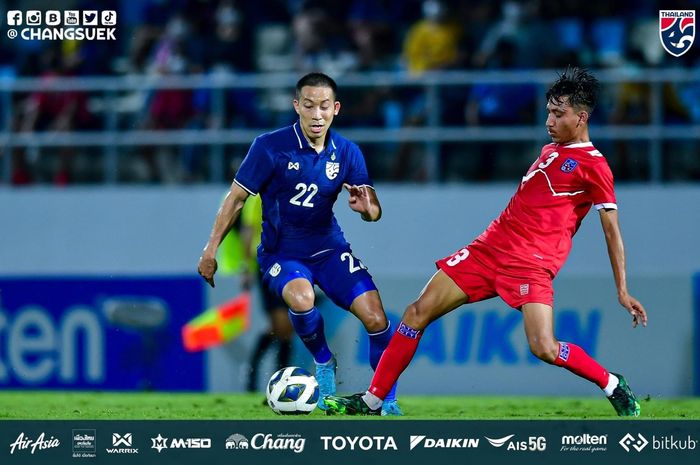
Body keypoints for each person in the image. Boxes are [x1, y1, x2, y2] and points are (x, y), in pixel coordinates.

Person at [324, 67, 648, 417]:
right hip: (489, 249)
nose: (549, 120)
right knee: (416, 312)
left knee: (544, 347)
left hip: (530, 264)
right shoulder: (551, 150)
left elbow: (611, 230)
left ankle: (611, 383)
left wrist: (622, 290)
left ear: (581, 117)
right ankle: (372, 401)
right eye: (548, 112)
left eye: (558, 113)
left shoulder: (595, 166)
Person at [198, 72, 401, 415]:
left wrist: (369, 211)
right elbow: (234, 199)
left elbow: (373, 208)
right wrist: (210, 249)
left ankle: (386, 399)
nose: (317, 114)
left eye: (324, 106)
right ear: (297, 107)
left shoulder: (348, 152)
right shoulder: (269, 146)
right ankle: (323, 362)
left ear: (335, 109)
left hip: (330, 250)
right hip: (283, 252)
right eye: (309, 106)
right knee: (302, 298)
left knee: (377, 318)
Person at [216, 194, 293, 393]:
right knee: (282, 325)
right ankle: (266, 376)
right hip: (266, 263)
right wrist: (245, 267)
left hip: (289, 263)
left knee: (285, 328)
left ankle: (269, 376)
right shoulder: (259, 196)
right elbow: (248, 229)